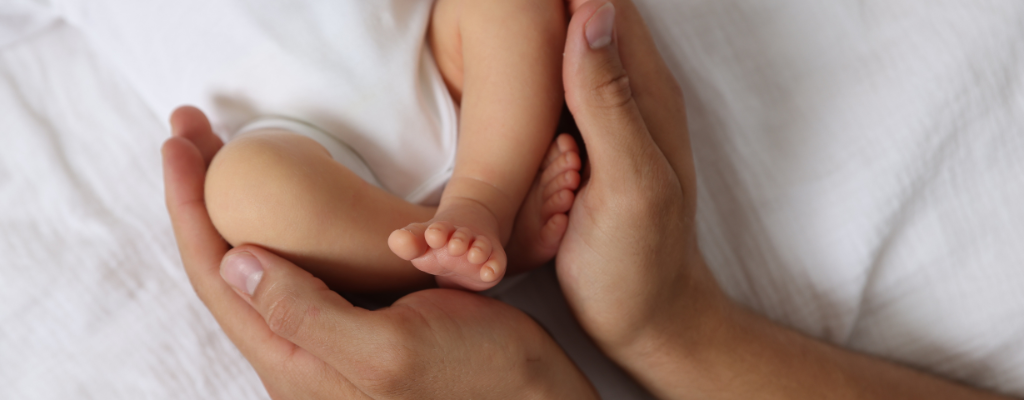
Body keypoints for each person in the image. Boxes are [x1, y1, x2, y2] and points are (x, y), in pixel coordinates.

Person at [163, 0, 1015, 397]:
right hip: (292, 133)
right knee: (244, 189)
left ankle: (482, 199)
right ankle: (446, 234)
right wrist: (670, 322)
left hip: (425, 49)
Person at [202, 0, 580, 292]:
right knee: (240, 190)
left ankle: (487, 200)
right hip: (296, 141)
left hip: (433, 60)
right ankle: (449, 249)